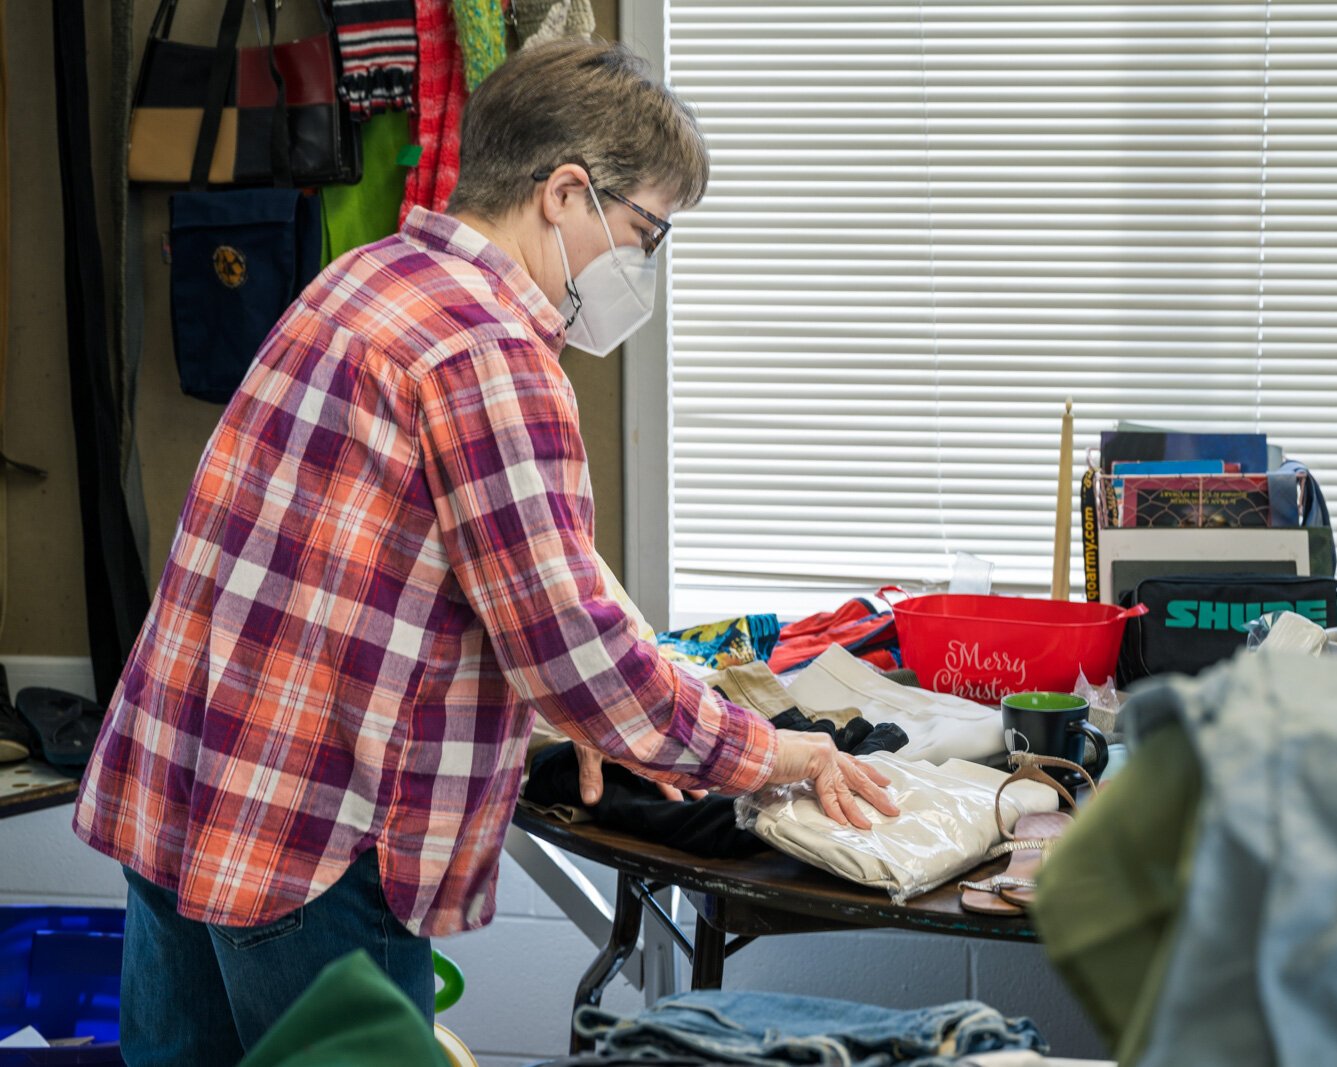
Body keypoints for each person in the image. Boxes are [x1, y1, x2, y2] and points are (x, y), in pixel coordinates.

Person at [72, 38, 898, 1065]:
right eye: (647, 231)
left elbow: (429, 561)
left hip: (184, 791)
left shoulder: (363, 281)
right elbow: (570, 647)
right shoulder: (489, 354)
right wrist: (776, 752)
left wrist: (590, 698)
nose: (643, 266)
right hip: (310, 843)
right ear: (566, 194)